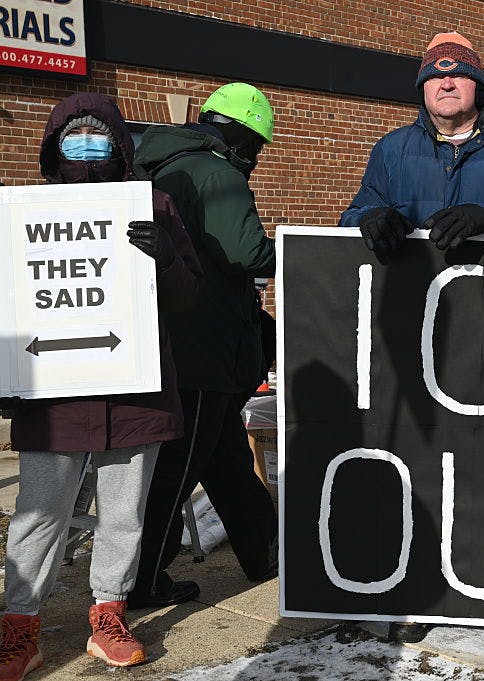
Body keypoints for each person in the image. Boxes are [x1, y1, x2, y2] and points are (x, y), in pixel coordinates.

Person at [339, 32, 484, 648]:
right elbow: (350, 217)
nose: (446, 83)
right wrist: (369, 219)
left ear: (479, 86)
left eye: (458, 74)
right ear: (422, 88)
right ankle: (423, 591)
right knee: (425, 468)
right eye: (434, 76)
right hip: (419, 342)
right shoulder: (392, 150)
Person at [0, 93, 202, 678]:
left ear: (119, 144)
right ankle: (20, 625)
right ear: (53, 144)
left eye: (99, 134)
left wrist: (166, 259)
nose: (87, 144)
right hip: (53, 395)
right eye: (74, 134)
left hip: (134, 395)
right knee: (38, 513)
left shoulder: (154, 204)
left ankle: (109, 614)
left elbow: (191, 301)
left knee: (123, 514)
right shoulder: (25, 212)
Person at [128, 82, 279, 608]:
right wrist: (295, 250)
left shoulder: (157, 164)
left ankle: (264, 551)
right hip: (203, 347)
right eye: (255, 146)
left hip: (169, 339)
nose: (255, 158)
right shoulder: (218, 174)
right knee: (179, 467)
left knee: (223, 455)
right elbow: (248, 254)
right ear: (241, 136)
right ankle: (143, 579)